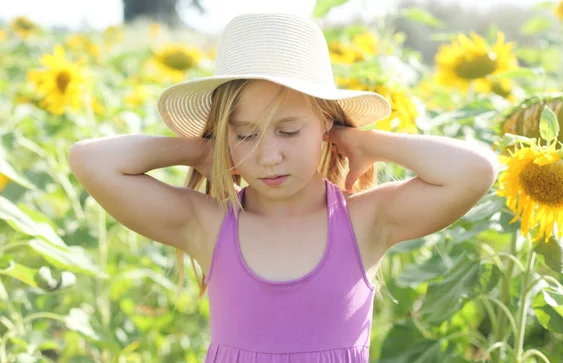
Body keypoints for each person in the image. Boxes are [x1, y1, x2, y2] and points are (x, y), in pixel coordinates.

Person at [68, 12, 499, 363]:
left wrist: (366, 142)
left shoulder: (364, 221)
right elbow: (90, 160)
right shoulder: (208, 223)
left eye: (289, 132)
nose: (268, 156)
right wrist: (202, 153)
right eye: (246, 135)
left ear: (326, 125)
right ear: (223, 135)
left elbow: (475, 170)